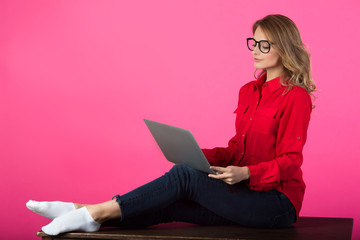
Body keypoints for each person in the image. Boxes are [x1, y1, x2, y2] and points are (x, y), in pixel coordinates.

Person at [26, 14, 316, 236]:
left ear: (284, 47)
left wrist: (246, 173)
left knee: (184, 176)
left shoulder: (295, 97)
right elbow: (238, 148)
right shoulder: (248, 91)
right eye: (253, 42)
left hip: (275, 204)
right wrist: (199, 155)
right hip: (244, 194)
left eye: (264, 44)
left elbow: (290, 161)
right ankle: (86, 215)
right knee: (172, 204)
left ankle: (89, 212)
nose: (255, 49)